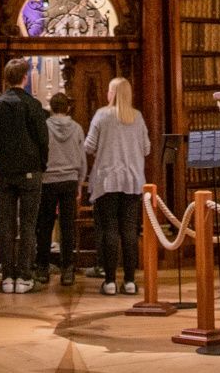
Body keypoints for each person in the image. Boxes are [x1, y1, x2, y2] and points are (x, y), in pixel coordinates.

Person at [0, 57, 48, 292]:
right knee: (28, 225)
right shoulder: (32, 105)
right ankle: (24, 277)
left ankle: (7, 277)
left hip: (6, 173)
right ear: (25, 77)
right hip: (30, 171)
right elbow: (42, 139)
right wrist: (41, 164)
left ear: (6, 79)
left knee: (6, 225)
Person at [84, 76, 151, 295]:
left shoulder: (102, 115)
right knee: (130, 230)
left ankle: (110, 281)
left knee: (109, 229)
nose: (107, 94)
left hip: (107, 180)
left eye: (109, 90)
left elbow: (89, 146)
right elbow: (146, 148)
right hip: (132, 180)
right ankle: (130, 281)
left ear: (113, 93)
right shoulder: (137, 117)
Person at [34, 91, 85, 285]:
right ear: (68, 108)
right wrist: (79, 182)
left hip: (48, 180)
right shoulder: (77, 129)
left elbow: (40, 151)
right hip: (70, 179)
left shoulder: (44, 127)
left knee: (45, 225)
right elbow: (81, 159)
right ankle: (67, 270)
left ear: (51, 108)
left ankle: (42, 269)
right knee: (67, 226)